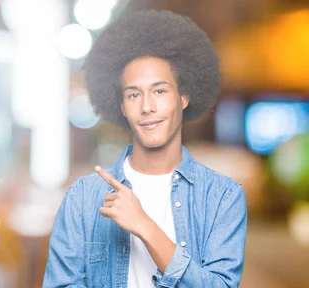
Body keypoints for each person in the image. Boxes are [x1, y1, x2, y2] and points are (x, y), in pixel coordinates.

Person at [43, 10, 247, 288]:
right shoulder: (83, 198)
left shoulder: (223, 196)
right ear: (122, 107)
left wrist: (145, 226)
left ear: (183, 97)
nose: (147, 106)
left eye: (160, 91)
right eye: (134, 94)